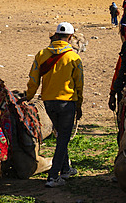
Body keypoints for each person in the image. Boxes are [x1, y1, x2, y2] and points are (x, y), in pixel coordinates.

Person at [26, 22, 83, 187]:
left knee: (60, 135)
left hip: (48, 102)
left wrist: (29, 96)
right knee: (63, 139)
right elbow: (79, 84)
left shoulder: (42, 54)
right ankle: (53, 177)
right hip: (67, 102)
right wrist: (78, 104)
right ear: (70, 37)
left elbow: (34, 79)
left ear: (56, 35)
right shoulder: (74, 57)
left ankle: (66, 169)